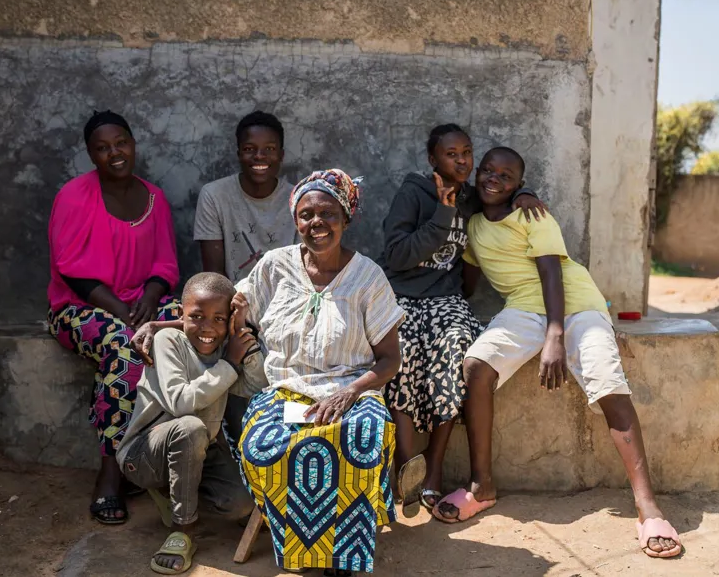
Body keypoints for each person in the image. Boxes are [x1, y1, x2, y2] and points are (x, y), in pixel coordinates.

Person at [434, 147, 683, 560]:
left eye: (507, 176)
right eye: (488, 171)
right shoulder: (474, 226)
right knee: (477, 365)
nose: (495, 179)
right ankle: (482, 487)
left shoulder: (532, 214)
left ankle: (648, 507)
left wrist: (556, 335)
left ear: (519, 185)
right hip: (522, 308)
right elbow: (468, 281)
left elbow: (552, 270)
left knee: (607, 383)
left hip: (575, 304)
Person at [236, 169, 408, 575]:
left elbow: (389, 360)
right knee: (263, 446)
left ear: (346, 218)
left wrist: (349, 394)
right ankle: (306, 549)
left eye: (328, 213)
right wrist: (165, 325)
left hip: (353, 392)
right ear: (296, 221)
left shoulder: (367, 277)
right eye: (307, 214)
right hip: (285, 392)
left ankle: (343, 559)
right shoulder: (275, 266)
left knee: (360, 439)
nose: (317, 223)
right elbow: (226, 308)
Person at [379, 124, 548, 511]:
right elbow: (397, 256)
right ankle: (406, 465)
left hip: (447, 299)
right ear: (433, 159)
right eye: (451, 154)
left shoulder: (473, 197)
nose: (462, 161)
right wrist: (442, 214)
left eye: (467, 153)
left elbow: (503, 193)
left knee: (455, 346)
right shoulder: (413, 192)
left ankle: (434, 469)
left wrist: (524, 193)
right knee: (400, 351)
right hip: (402, 297)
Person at [47, 110, 181, 525]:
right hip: (81, 307)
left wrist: (152, 297)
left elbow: (166, 264)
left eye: (120, 142)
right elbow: (70, 267)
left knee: (191, 326)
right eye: (102, 148)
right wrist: (124, 313)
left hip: (142, 302)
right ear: (91, 154)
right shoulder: (73, 195)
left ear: (133, 142)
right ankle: (111, 474)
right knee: (125, 350)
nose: (114, 153)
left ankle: (174, 462)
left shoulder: (154, 198)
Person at [118, 272, 266, 574]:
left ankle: (174, 496)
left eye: (219, 319)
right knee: (190, 427)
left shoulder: (226, 349)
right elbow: (180, 402)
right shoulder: (167, 340)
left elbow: (255, 386)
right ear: (180, 316)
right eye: (196, 317)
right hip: (143, 456)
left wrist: (241, 341)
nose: (207, 328)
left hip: (199, 450)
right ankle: (182, 530)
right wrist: (229, 365)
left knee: (240, 503)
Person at [193, 111, 296, 282]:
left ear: (281, 155)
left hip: (285, 300)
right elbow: (214, 275)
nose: (259, 156)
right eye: (249, 149)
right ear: (239, 154)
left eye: (269, 149)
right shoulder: (214, 196)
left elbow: (303, 272)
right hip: (231, 300)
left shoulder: (298, 200)